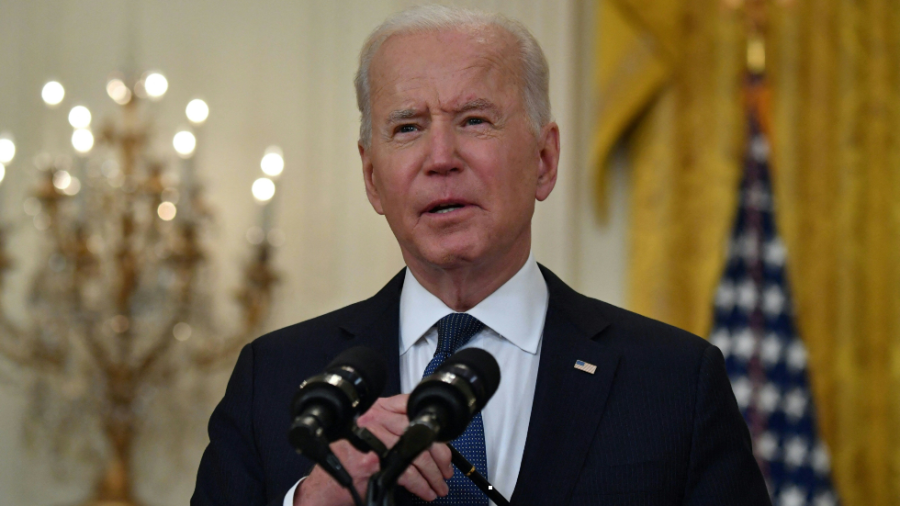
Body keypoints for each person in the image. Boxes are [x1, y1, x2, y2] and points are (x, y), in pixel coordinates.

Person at [192, 5, 771, 506]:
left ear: (544, 161)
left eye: (474, 121)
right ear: (373, 179)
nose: (441, 157)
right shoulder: (274, 379)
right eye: (408, 127)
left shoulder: (673, 383)